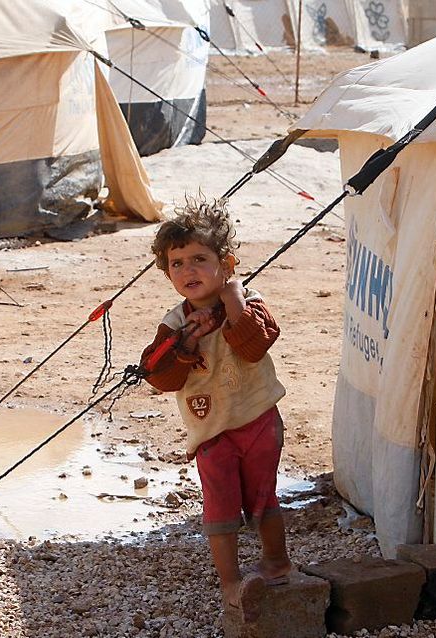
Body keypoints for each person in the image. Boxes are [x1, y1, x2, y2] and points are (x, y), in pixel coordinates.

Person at [141, 196, 292, 621]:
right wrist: (186, 343)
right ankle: (231, 582)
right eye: (177, 263)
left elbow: (254, 345)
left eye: (199, 259)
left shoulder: (249, 301)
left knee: (262, 496)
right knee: (220, 502)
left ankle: (277, 564)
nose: (188, 271)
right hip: (211, 430)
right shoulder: (174, 323)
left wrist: (234, 301)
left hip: (258, 418)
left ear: (226, 264)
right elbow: (159, 376)